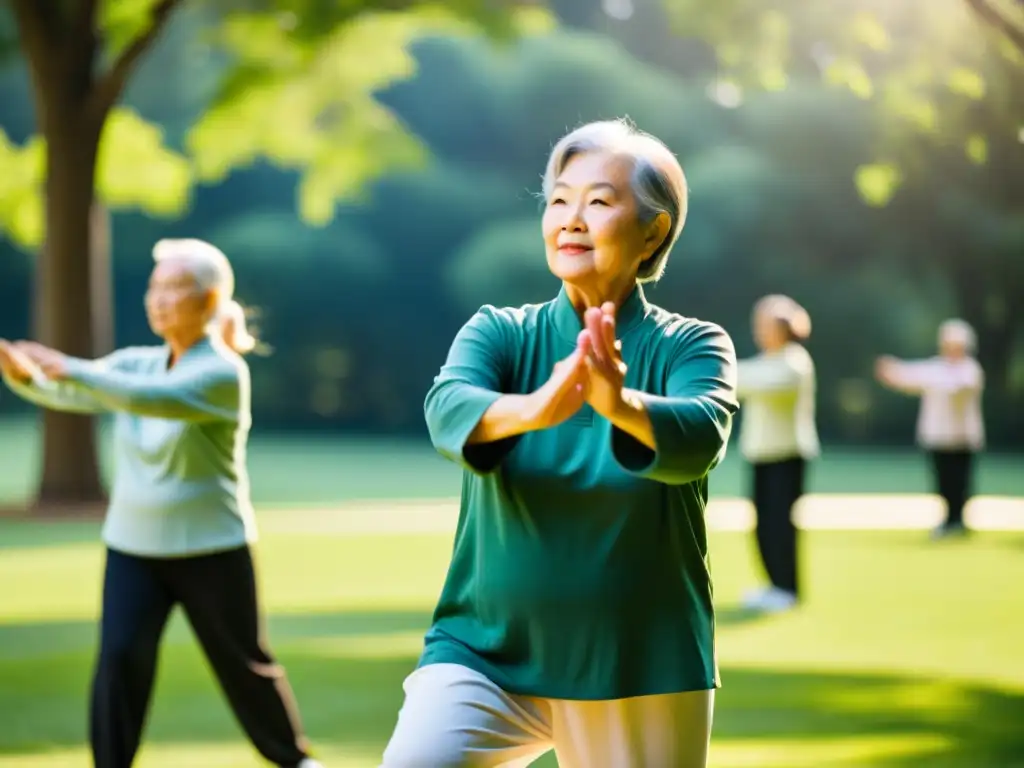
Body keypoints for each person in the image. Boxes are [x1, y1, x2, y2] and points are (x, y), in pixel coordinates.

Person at [380, 119, 738, 767]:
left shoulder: (693, 344)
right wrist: (535, 407)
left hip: (638, 662)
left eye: (599, 202)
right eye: (559, 201)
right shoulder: (500, 332)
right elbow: (448, 410)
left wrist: (618, 404)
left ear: (653, 230)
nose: (571, 218)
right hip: (484, 650)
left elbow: (700, 435)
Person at [0, 238, 322, 768]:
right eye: (155, 287)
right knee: (119, 661)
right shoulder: (136, 364)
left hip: (213, 546)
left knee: (245, 667)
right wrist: (26, 376)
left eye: (174, 287)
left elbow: (143, 397)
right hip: (133, 548)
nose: (160, 298)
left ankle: (297, 762)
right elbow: (79, 393)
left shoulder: (221, 373)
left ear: (210, 299)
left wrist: (67, 366)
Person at [734, 295, 819, 614]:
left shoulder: (794, 362)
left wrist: (713, 367)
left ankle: (788, 588)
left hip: (786, 457)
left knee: (780, 525)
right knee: (763, 524)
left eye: (766, 326)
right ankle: (774, 585)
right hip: (762, 457)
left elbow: (745, 379)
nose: (760, 332)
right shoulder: (766, 360)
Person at [874, 318, 984, 539]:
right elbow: (909, 376)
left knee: (960, 482)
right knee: (943, 482)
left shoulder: (970, 370)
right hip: (937, 437)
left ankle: (958, 521)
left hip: (962, 439)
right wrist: (892, 371)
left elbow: (957, 388)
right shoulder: (936, 368)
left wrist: (925, 380)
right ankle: (949, 520)